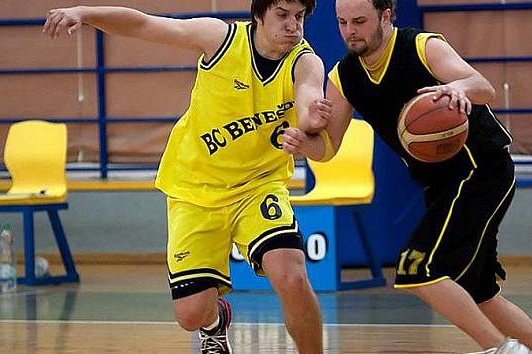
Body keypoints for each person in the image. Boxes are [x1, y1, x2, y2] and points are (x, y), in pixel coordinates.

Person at [43, 1, 332, 353]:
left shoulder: (305, 61)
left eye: (299, 17)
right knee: (190, 315)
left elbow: (308, 96)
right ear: (259, 15)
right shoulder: (220, 38)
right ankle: (214, 322)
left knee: (291, 276)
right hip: (195, 189)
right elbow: (144, 25)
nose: (293, 26)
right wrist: (84, 13)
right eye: (282, 15)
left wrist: (310, 119)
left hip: (258, 186)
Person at [283, 1, 532, 353]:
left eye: (360, 21)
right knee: (480, 291)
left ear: (386, 16)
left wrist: (459, 89)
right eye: (342, 22)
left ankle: (500, 349)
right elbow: (329, 148)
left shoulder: (421, 46)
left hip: (480, 168)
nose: (350, 30)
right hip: (441, 184)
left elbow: (483, 86)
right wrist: (302, 143)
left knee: (417, 268)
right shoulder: (344, 76)